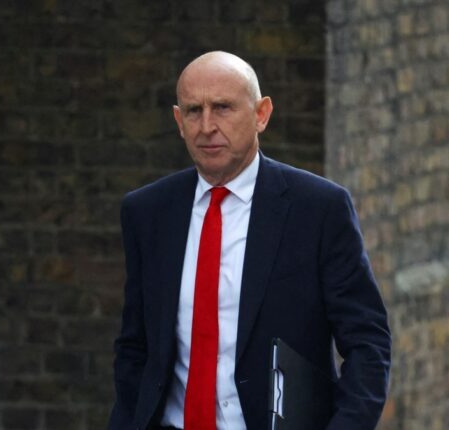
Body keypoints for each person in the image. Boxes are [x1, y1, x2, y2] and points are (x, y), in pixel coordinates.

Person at [108, 51, 391, 430]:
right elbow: (135, 346)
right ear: (178, 121)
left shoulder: (318, 209)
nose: (207, 126)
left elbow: (367, 343)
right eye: (193, 111)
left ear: (261, 114)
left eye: (223, 108)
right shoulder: (148, 211)